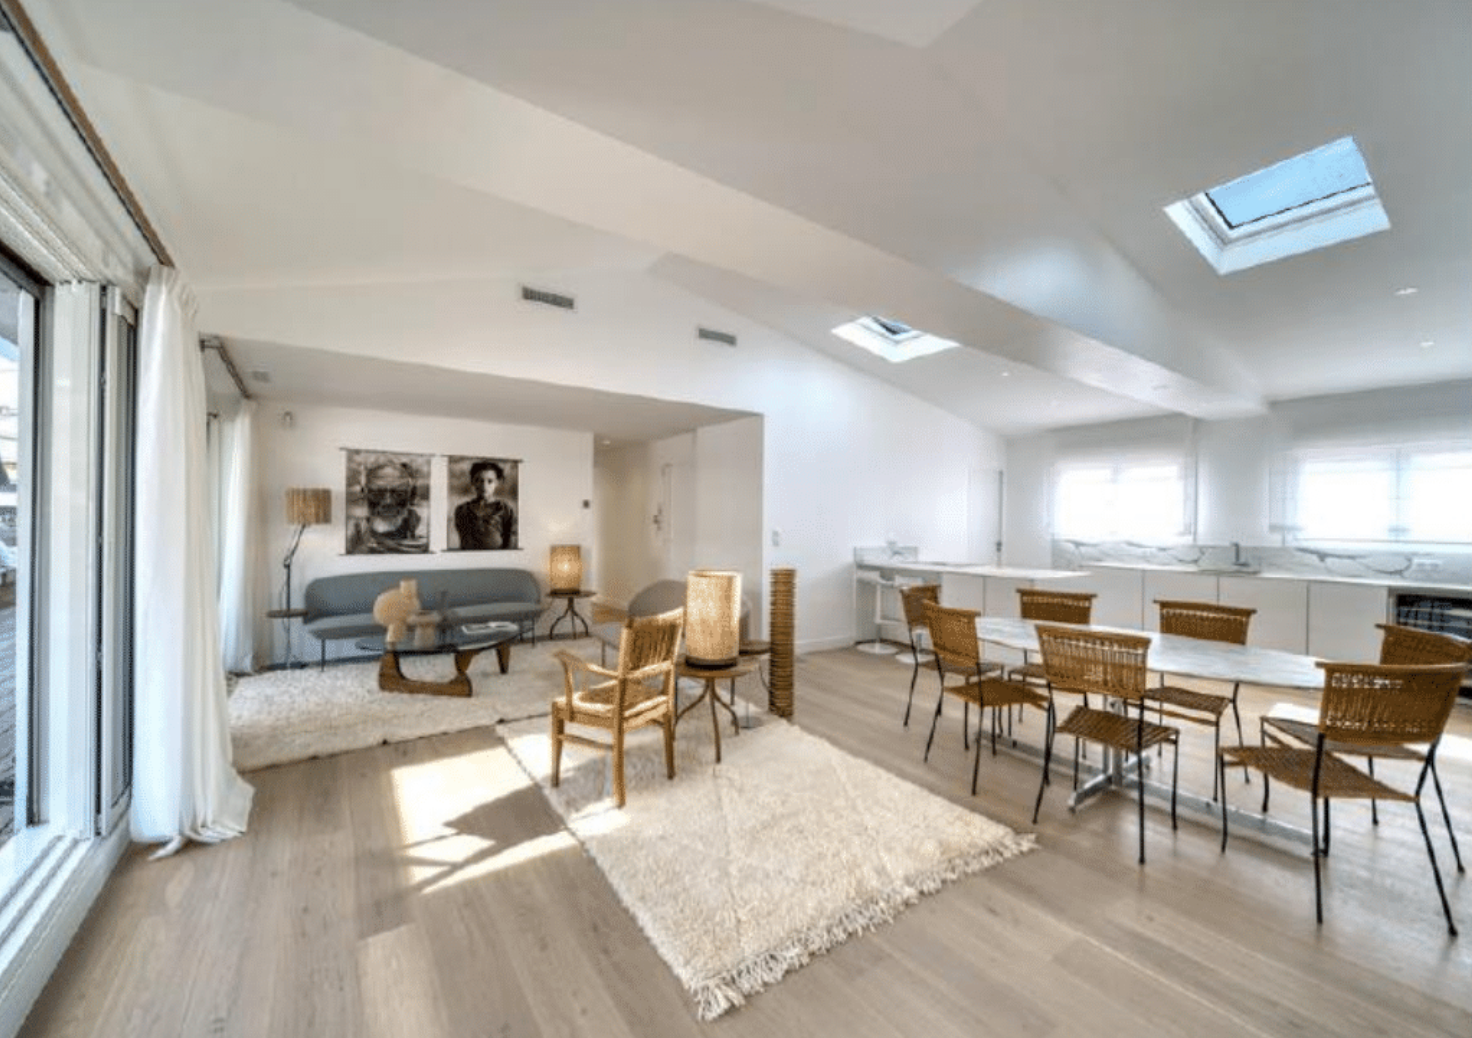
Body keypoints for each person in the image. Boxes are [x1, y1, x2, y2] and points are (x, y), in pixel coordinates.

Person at [346, 460, 427, 554]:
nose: (388, 502)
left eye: (399, 494)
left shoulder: (425, 531)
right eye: (377, 494)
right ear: (364, 494)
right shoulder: (353, 534)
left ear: (410, 496)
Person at [454, 460, 517, 550]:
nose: (484, 486)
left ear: (497, 483)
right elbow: (464, 541)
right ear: (472, 482)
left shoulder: (505, 510)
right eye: (478, 480)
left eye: (490, 481)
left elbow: (510, 542)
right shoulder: (462, 510)